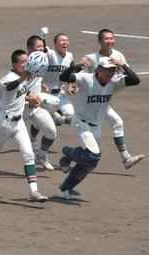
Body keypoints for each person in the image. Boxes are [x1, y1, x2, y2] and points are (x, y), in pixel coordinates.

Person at [0, 50, 49, 202]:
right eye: (23, 62)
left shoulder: (24, 76)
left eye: (27, 60)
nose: (26, 64)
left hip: (19, 123)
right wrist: (23, 78)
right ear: (14, 64)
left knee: (29, 155)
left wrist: (29, 98)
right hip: (3, 123)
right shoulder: (8, 78)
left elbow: (19, 94)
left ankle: (34, 192)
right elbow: (10, 87)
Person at [57, 56, 140, 199]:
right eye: (107, 70)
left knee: (89, 164)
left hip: (96, 127)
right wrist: (76, 66)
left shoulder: (114, 83)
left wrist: (123, 65)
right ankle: (68, 154)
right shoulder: (86, 79)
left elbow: (135, 80)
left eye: (113, 70)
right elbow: (64, 77)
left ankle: (67, 187)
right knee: (92, 156)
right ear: (99, 69)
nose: (110, 73)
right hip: (81, 123)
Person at [81, 29, 144, 169]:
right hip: (92, 101)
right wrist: (72, 85)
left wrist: (121, 63)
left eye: (112, 38)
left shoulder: (118, 55)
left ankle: (126, 158)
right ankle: (126, 158)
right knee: (99, 134)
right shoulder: (91, 58)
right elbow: (79, 73)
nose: (110, 41)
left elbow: (131, 75)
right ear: (99, 41)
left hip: (105, 98)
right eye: (106, 39)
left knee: (116, 123)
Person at [24, 35, 57, 171]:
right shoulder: (23, 62)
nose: (41, 49)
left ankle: (42, 155)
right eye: (38, 47)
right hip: (19, 107)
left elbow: (35, 79)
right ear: (29, 49)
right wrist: (28, 97)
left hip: (35, 106)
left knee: (51, 132)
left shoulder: (42, 60)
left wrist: (41, 84)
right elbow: (14, 89)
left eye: (42, 47)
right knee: (2, 138)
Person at [39, 32, 75, 126]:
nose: (65, 42)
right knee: (41, 120)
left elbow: (70, 71)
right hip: (44, 92)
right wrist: (43, 38)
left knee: (70, 114)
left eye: (66, 40)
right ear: (55, 44)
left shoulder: (70, 56)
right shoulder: (50, 53)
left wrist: (70, 85)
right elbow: (43, 49)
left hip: (59, 92)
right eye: (62, 40)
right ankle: (34, 134)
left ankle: (56, 118)